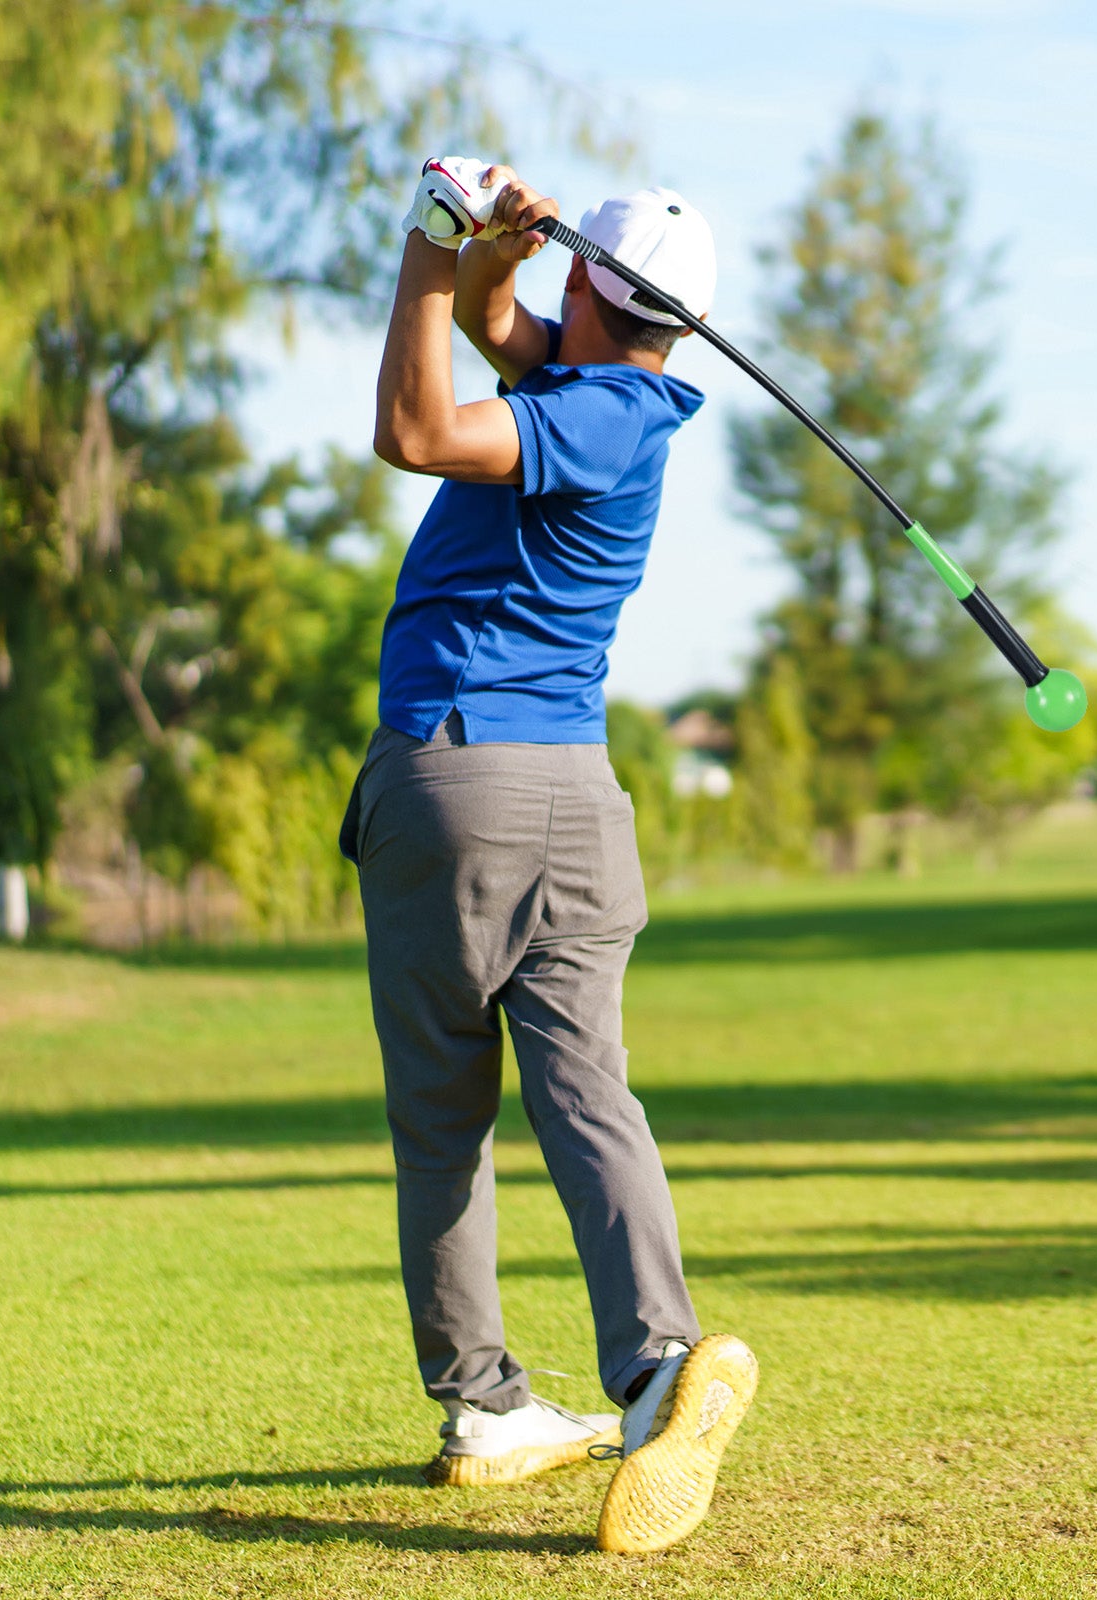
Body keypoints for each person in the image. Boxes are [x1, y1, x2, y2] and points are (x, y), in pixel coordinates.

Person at [342, 156, 757, 1556]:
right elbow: (496, 332)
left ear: (596, 288)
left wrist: (424, 243)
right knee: (589, 1097)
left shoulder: (580, 418)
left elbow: (411, 428)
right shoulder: (630, 399)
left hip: (462, 779)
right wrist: (495, 259)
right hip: (580, 801)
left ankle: (485, 1405)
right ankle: (652, 1372)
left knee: (443, 1124)